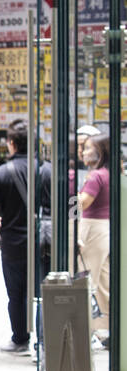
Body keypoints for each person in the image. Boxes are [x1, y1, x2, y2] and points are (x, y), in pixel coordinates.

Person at [0, 118, 38, 354]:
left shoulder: (1, 173)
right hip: (44, 242)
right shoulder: (46, 169)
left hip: (13, 243)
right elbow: (69, 204)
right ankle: (45, 342)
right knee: (44, 292)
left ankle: (21, 339)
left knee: (16, 293)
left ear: (12, 143)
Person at [77, 133, 112, 350]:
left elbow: (83, 203)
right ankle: (106, 328)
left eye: (88, 148)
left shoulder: (95, 176)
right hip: (105, 228)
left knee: (88, 279)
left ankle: (91, 329)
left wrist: (70, 196)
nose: (83, 152)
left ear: (100, 152)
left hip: (92, 228)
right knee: (103, 282)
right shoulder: (109, 173)